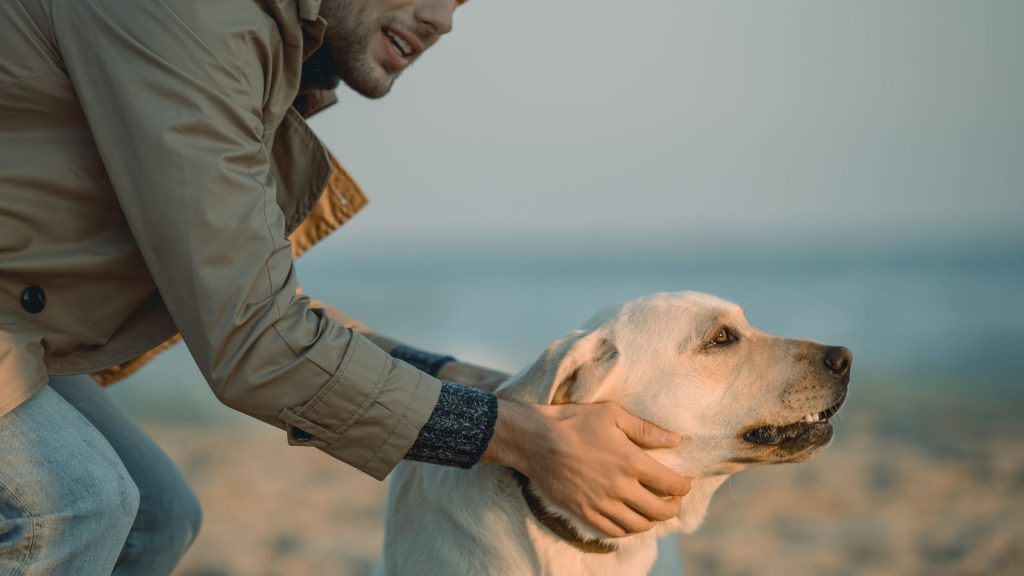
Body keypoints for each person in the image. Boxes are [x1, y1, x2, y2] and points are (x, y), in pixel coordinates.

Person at [0, 0, 692, 573]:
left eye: (460, 1)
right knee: (74, 504)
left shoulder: (254, 50)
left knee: (156, 518)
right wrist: (522, 440)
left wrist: (463, 384)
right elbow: (257, 343)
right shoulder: (194, 21)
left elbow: (251, 306)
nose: (443, 20)